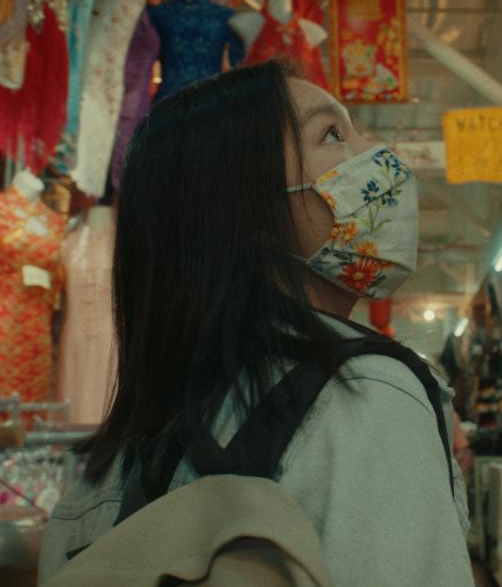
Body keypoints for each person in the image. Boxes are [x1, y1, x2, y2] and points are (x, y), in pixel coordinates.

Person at [37, 61, 474, 586]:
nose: (377, 155)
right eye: (332, 134)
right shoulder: (365, 397)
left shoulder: (115, 460)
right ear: (250, 211)